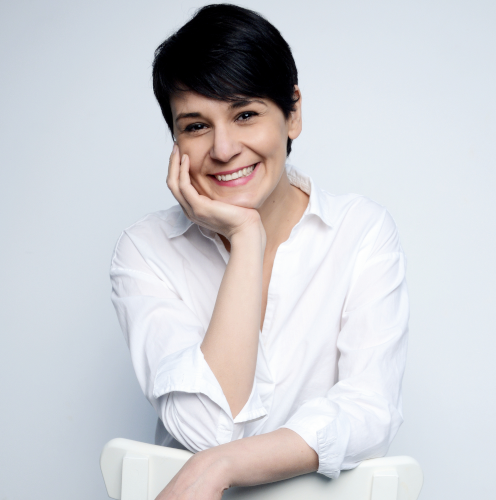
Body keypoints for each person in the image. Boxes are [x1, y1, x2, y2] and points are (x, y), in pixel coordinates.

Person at [110, 4, 409, 499]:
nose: (223, 149)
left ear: (293, 113)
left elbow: (369, 411)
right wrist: (247, 237)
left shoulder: (361, 231)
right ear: (175, 140)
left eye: (245, 115)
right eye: (196, 126)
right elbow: (207, 430)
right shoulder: (146, 250)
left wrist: (223, 466)